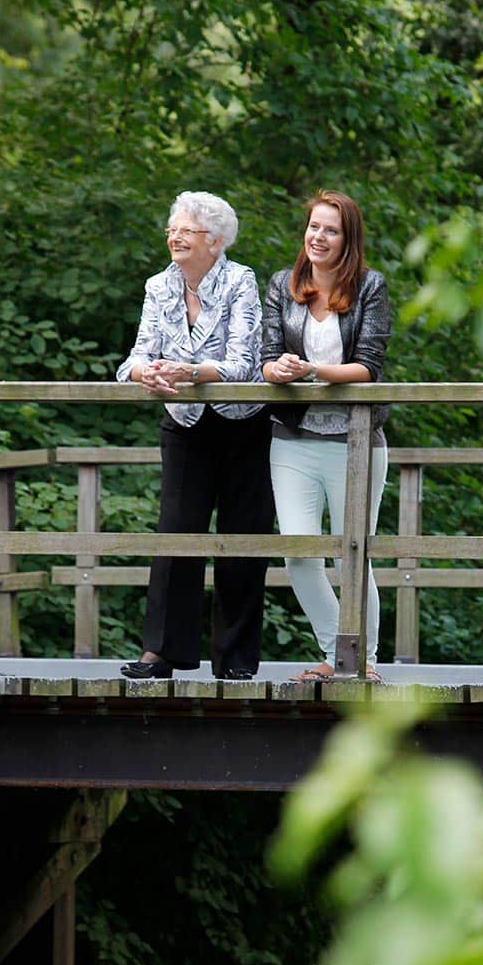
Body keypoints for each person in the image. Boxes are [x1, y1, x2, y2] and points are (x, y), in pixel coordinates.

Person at [117, 190, 273, 680]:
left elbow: (244, 362)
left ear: (217, 239)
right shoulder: (158, 286)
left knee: (243, 538)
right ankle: (162, 653)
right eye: (172, 229)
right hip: (183, 421)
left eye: (187, 230)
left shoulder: (240, 281)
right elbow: (135, 357)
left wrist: (188, 369)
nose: (175, 236)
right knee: (175, 532)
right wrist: (148, 376)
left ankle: (236, 660)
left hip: (240, 420)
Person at [262, 189, 390, 682]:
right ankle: (338, 654)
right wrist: (279, 369)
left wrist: (315, 369)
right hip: (293, 438)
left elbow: (369, 367)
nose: (318, 237)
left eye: (330, 230)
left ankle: (366, 664)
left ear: (347, 238)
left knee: (355, 555)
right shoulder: (284, 284)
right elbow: (267, 356)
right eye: (313, 227)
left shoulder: (370, 287)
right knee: (299, 553)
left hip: (356, 442)